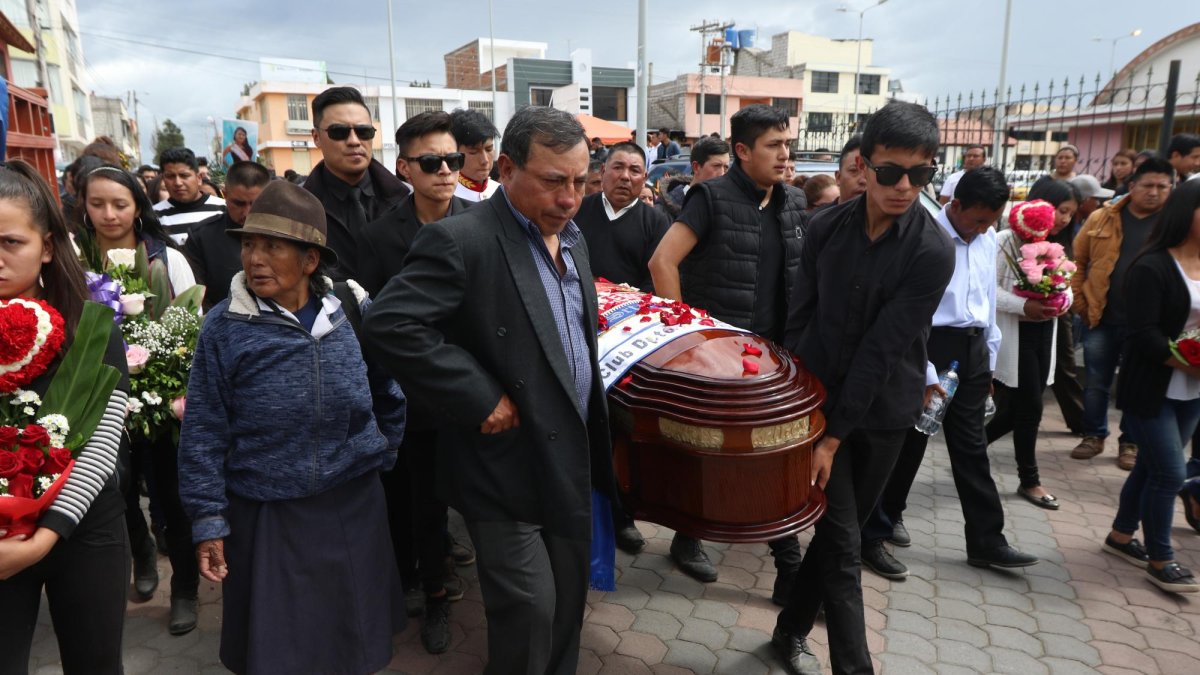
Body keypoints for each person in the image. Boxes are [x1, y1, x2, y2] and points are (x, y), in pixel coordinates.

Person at [363, 106, 616, 675]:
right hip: (503, 468)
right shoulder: (461, 240)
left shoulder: (574, 239)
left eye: (580, 181)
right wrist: (478, 395)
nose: (570, 197)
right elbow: (390, 325)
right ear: (505, 168)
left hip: (568, 456)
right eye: (554, 181)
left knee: (567, 610)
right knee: (530, 612)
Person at [178, 180, 408, 674]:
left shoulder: (348, 309)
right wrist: (209, 521)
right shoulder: (224, 327)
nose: (254, 259)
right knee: (279, 647)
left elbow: (389, 384)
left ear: (309, 261)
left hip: (351, 500)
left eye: (272, 247)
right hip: (267, 508)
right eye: (248, 244)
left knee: (351, 634)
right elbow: (203, 430)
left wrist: (381, 449)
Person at [773, 100, 955, 675]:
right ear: (863, 163)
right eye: (890, 171)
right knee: (845, 546)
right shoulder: (825, 226)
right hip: (820, 404)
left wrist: (834, 438)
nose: (904, 186)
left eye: (920, 174)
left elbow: (883, 350)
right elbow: (799, 319)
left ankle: (787, 630)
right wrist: (799, 407)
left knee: (835, 539)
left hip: (882, 415)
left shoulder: (932, 250)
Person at [648, 104, 807, 598]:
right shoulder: (710, 199)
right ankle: (689, 536)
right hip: (721, 356)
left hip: (778, 356)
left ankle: (789, 568)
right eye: (774, 146)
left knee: (776, 457)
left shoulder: (795, 201)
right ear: (742, 151)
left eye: (788, 145)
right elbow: (662, 262)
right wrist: (691, 340)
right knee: (712, 454)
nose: (785, 155)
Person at [861, 166, 1038, 581]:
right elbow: (911, 314)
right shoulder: (924, 238)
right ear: (954, 205)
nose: (981, 229)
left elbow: (987, 303)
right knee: (908, 441)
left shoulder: (987, 238)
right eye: (976, 220)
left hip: (973, 351)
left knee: (972, 446)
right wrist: (924, 373)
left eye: (990, 222)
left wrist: (989, 362)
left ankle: (986, 540)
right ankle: (875, 532)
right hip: (929, 348)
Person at [0, 160, 131, 674]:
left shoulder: (91, 329)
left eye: (11, 242)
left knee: (95, 663)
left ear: (48, 247)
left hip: (84, 528)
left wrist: (43, 538)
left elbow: (102, 446)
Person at [358, 111, 474, 654]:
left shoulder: (484, 221)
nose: (446, 172)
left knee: (481, 500)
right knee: (423, 504)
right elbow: (378, 323)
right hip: (413, 396)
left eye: (453, 160)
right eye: (432, 163)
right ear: (405, 168)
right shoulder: (380, 237)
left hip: (478, 389)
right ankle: (433, 596)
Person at [80, 164, 203, 634]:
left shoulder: (167, 259)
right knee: (119, 492)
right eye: (97, 204)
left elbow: (191, 327)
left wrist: (170, 385)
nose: (109, 214)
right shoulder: (74, 260)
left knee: (174, 495)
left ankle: (187, 590)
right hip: (100, 402)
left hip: (163, 401)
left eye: (120, 203)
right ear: (84, 209)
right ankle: (143, 555)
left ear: (138, 206)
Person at [1102, 179, 1200, 594]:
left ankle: (1121, 536)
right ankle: (1161, 558)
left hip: (1191, 393)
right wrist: (1187, 362)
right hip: (1152, 388)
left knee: (1151, 467)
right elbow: (1142, 335)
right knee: (1171, 474)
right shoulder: (1153, 266)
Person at [1071, 156, 1176, 469]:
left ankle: (1129, 442)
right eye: (1148, 185)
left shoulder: (1175, 226)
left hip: (1148, 325)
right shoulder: (1103, 218)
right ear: (1132, 186)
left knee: (1135, 385)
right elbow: (1077, 261)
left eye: (1162, 186)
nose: (1154, 192)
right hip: (1101, 316)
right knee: (1096, 382)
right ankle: (1093, 435)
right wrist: (1080, 301)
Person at [988, 185, 1078, 511]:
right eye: (1059, 210)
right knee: (1032, 409)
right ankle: (1030, 480)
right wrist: (1024, 307)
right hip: (1015, 337)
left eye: (1068, 213)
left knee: (1017, 410)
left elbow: (1066, 285)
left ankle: (970, 449)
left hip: (1043, 335)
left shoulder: (1052, 245)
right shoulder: (1002, 242)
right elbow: (991, 293)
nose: (1062, 219)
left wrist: (1062, 301)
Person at [303, 86, 410, 282]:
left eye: (363, 131)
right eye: (339, 132)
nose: (354, 141)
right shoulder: (299, 208)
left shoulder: (408, 199)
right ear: (316, 137)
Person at [574, 142, 669, 292]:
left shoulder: (656, 222)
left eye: (634, 170)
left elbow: (654, 279)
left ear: (644, 178)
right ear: (603, 171)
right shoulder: (577, 209)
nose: (625, 176)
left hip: (631, 309)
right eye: (618, 167)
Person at [185, 161, 271, 310]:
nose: (247, 212)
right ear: (224, 194)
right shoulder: (201, 237)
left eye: (255, 204)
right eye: (239, 203)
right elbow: (197, 296)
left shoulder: (287, 234)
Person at [152, 147, 226, 245]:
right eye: (170, 176)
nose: (178, 183)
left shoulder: (223, 208)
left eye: (184, 175)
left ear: (199, 178)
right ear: (163, 180)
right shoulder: (154, 215)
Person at [658, 136, 731, 219]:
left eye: (726, 167)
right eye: (716, 166)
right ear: (696, 167)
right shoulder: (663, 211)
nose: (722, 173)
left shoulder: (728, 210)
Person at [450, 108, 500, 202]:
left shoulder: (502, 192)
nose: (485, 160)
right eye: (473, 152)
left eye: (489, 149)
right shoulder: (447, 197)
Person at [833, 134, 867, 205]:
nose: (863, 181)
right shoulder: (821, 216)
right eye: (854, 171)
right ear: (838, 177)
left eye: (868, 172)